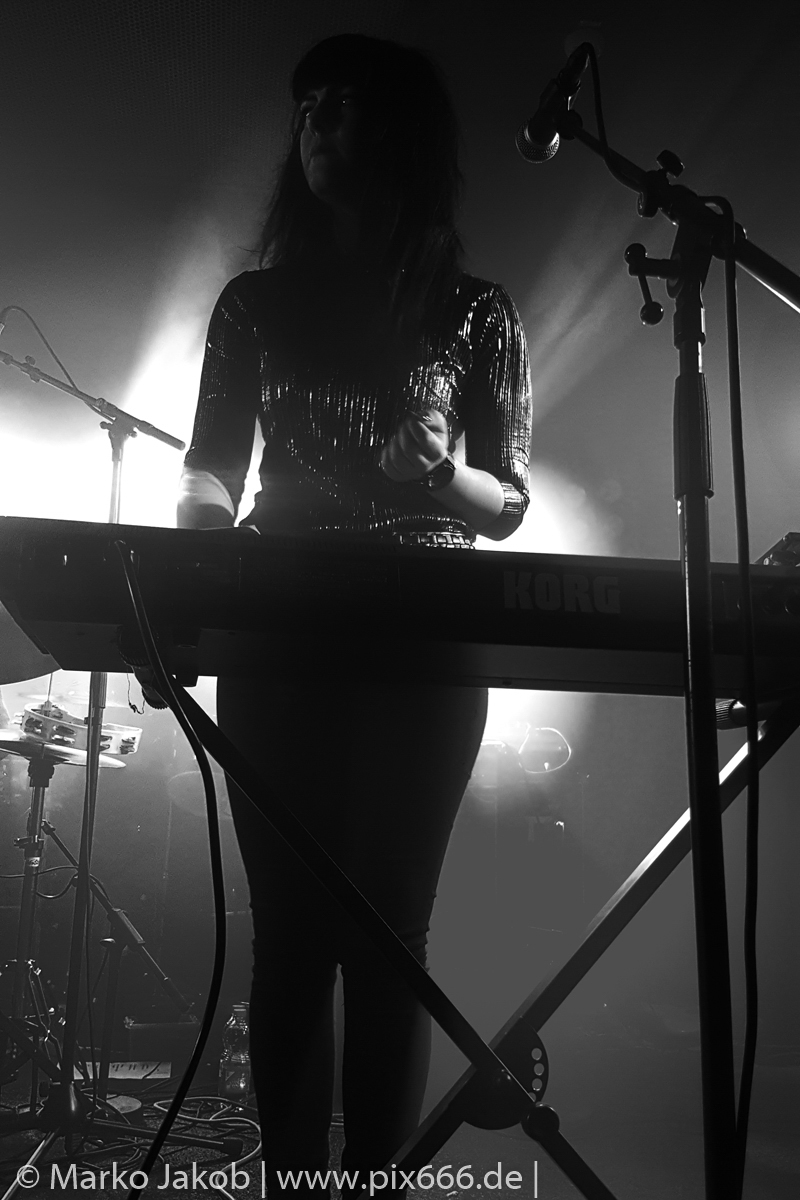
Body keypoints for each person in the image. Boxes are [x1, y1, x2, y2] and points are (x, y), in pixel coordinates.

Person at [177, 34, 532, 1197]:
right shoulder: (254, 303)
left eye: (344, 104)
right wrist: (192, 566)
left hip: (423, 634)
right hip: (278, 625)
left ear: (401, 133)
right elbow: (210, 467)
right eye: (307, 106)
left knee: (389, 934)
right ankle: (293, 1185)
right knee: (289, 933)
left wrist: (437, 474)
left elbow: (506, 504)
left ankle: (373, 1183)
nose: (317, 122)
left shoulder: (474, 311)